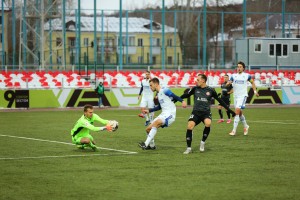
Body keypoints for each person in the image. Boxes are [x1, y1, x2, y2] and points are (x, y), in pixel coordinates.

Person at [179, 74, 236, 154]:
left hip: (206, 113)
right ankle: (188, 148)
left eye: (198, 80)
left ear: (203, 80)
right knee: (189, 126)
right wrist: (177, 98)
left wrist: (230, 110)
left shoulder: (211, 90)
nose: (196, 81)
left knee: (208, 123)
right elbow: (187, 95)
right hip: (196, 112)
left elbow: (220, 101)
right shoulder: (195, 88)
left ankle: (202, 142)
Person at [138, 77, 187, 150]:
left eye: (151, 85)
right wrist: (149, 110)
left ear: (155, 84)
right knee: (148, 129)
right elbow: (159, 107)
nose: (150, 87)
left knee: (156, 122)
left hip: (170, 114)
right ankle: (152, 146)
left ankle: (145, 144)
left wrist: (182, 101)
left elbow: (174, 96)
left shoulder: (164, 90)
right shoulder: (158, 93)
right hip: (163, 114)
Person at [227, 61, 259, 136]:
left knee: (237, 111)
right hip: (235, 96)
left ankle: (233, 130)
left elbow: (253, 83)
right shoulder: (233, 76)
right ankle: (246, 126)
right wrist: (228, 83)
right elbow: (229, 82)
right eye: (238, 66)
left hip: (243, 96)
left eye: (240, 67)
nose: (238, 68)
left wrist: (255, 92)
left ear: (243, 68)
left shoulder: (247, 75)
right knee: (239, 113)